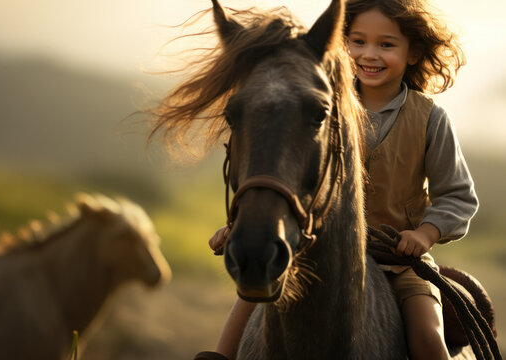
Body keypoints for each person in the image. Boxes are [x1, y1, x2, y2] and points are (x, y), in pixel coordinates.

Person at [198, 0, 478, 359]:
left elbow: (457, 196)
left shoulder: (430, 119)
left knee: (428, 340)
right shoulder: (318, 110)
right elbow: (289, 177)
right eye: (357, 42)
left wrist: (424, 234)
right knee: (238, 322)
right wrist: (239, 225)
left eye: (386, 45)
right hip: (310, 249)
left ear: (413, 53)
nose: (369, 54)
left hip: (399, 261)